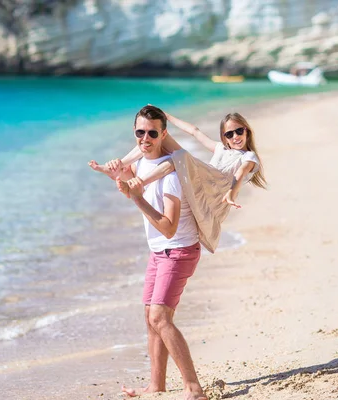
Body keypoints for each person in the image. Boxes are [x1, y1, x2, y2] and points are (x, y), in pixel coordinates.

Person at [116, 105, 206, 400]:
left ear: (163, 134)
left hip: (178, 250)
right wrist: (114, 174)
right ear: (135, 133)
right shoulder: (141, 163)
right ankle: (156, 386)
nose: (146, 138)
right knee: (150, 317)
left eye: (152, 133)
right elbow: (128, 184)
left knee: (160, 318)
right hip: (158, 252)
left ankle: (193, 388)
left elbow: (168, 227)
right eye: (140, 132)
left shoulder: (170, 173)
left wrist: (137, 199)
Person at [88, 108, 266, 253]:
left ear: (247, 132)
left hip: (216, 188)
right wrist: (167, 116)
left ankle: (138, 182)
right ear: (223, 137)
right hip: (204, 178)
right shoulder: (221, 148)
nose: (235, 137)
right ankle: (118, 167)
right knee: (153, 137)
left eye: (239, 131)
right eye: (229, 134)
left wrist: (232, 193)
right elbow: (194, 131)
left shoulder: (250, 157)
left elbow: (241, 172)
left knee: (177, 156)